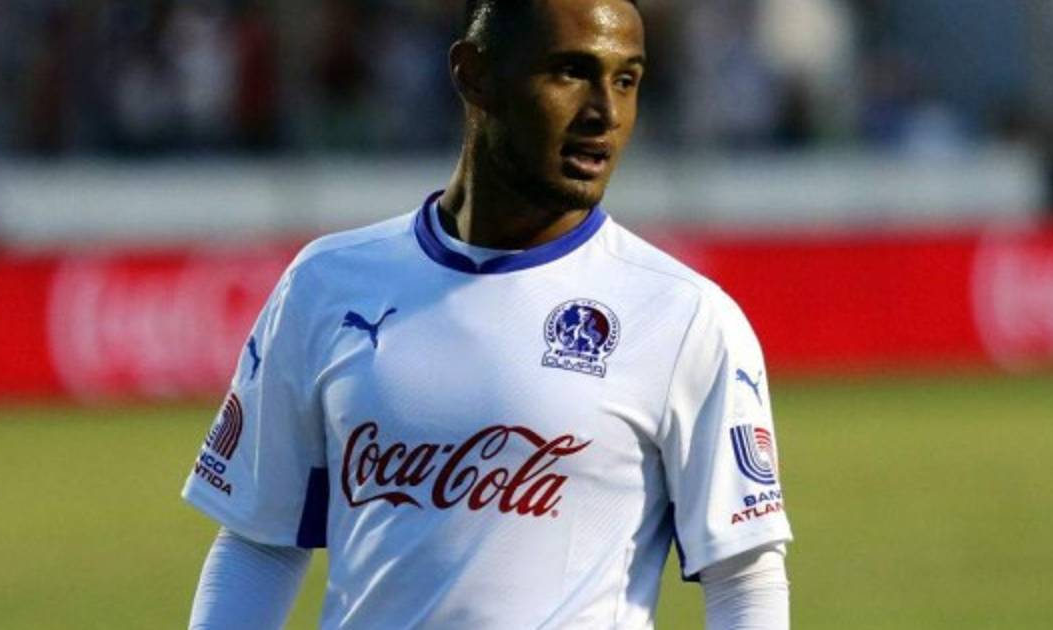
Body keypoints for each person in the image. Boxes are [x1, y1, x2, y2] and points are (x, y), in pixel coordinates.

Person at [183, 1, 793, 628]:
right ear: (474, 74)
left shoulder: (684, 316)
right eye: (570, 72)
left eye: (625, 80)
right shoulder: (326, 283)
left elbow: (743, 579)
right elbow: (258, 543)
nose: (605, 113)